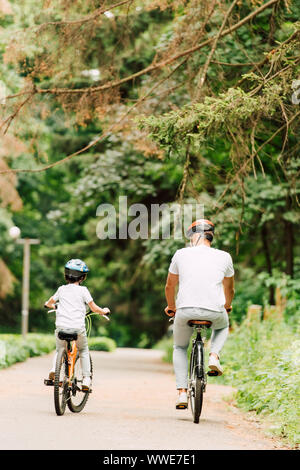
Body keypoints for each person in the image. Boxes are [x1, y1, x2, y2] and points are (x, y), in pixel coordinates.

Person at [164, 219, 235, 409]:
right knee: (223, 325)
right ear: (210, 236)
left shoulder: (181, 254)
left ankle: (181, 392)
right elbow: (230, 289)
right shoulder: (225, 256)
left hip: (185, 310)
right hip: (215, 310)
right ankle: (213, 355)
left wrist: (171, 306)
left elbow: (170, 285)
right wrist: (227, 306)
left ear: (194, 236)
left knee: (179, 348)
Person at [44, 258, 110, 392]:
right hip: (77, 329)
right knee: (83, 350)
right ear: (83, 277)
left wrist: (52, 305)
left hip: (61, 328)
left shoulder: (61, 289)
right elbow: (94, 307)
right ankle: (86, 379)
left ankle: (53, 370)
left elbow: (49, 303)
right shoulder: (83, 291)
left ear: (66, 275)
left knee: (59, 349)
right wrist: (103, 311)